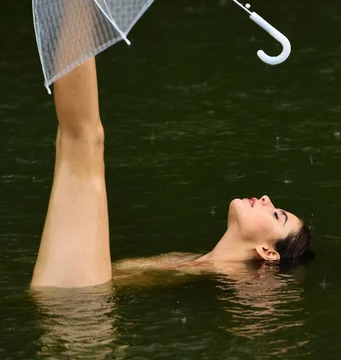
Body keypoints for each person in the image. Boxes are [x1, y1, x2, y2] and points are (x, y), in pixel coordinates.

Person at [31, 58, 311, 289]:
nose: (265, 198)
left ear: (268, 253)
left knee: (82, 138)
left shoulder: (227, 278)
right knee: (76, 139)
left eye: (277, 215)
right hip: (73, 292)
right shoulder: (183, 259)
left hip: (81, 301)